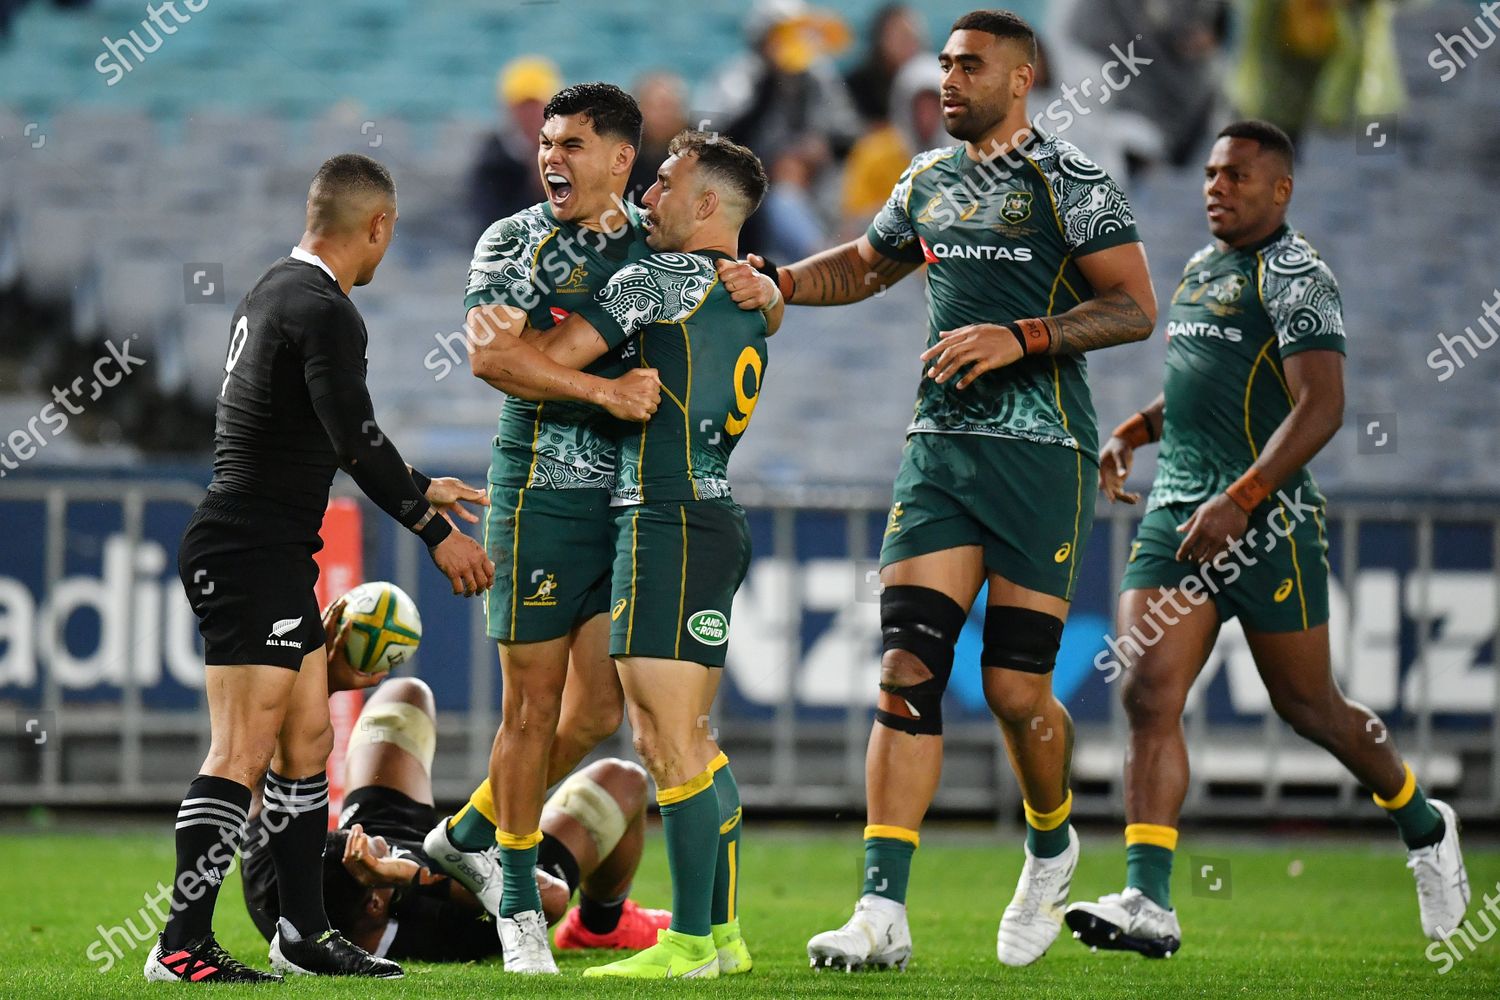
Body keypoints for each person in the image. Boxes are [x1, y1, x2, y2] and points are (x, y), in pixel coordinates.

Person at [718, 8, 1157, 971]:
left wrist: (1024, 336)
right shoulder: (926, 178)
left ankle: (1051, 844)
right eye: (946, 64)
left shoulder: (1073, 183)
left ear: (1022, 78)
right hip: (939, 451)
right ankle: (881, 911)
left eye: (970, 66)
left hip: (1043, 458)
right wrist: (782, 281)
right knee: (905, 670)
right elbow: (869, 266)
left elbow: (1135, 306)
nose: (948, 79)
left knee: (1014, 691)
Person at [1065, 119, 1470, 957]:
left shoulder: (1299, 276)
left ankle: (1426, 826)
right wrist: (1136, 430)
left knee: (1309, 707)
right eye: (1212, 172)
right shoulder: (1201, 268)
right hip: (1180, 510)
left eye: (1238, 175)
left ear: (1280, 189)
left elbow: (1322, 405)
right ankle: (1149, 900)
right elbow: (1204, 385)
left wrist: (1243, 500)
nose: (1217, 186)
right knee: (1147, 692)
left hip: (1268, 521)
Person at [441, 82, 766, 974]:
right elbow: (492, 357)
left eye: (573, 144)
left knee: (597, 711)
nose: (551, 157)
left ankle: (469, 831)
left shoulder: (656, 241)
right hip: (540, 493)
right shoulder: (511, 241)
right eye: (547, 141)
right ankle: (515, 904)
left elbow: (731, 298)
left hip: (630, 505)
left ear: (623, 160)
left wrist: (766, 290)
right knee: (533, 704)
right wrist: (603, 392)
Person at [149, 153, 495, 983]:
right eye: (391, 233)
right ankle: (180, 945)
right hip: (250, 548)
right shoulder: (326, 309)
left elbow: (316, 431)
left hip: (266, 545)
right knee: (241, 750)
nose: (388, 248)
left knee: (307, 740)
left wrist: (417, 483)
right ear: (376, 226)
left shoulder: (275, 289)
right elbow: (354, 433)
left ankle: (303, 934)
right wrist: (429, 525)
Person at [517, 130, 780, 979]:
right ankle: (725, 934)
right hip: (711, 514)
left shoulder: (657, 278)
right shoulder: (748, 296)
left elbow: (549, 363)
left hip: (663, 519)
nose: (646, 201)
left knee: (665, 739)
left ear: (706, 205)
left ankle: (691, 943)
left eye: (663, 184)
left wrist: (518, 331)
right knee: (692, 738)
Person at [240, 600, 671, 963]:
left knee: (404, 698)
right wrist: (413, 875)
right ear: (377, 899)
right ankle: (601, 925)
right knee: (623, 782)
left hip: (399, 833)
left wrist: (328, 682)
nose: (363, 837)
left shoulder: (272, 884)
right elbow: (552, 900)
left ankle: (447, 832)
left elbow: (261, 763)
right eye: (374, 850)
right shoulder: (440, 929)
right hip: (481, 868)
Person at [468, 56, 563, 237]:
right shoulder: (491, 163)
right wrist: (534, 189)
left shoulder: (575, 153)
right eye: (523, 106)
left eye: (537, 105)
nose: (531, 115)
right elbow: (489, 229)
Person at [844, 3, 929, 125]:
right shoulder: (857, 86)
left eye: (914, 37)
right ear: (881, 39)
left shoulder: (931, 84)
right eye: (902, 37)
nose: (909, 44)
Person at [627, 72, 690, 206]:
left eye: (669, 107)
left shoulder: (700, 154)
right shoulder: (623, 155)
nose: (663, 115)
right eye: (655, 107)